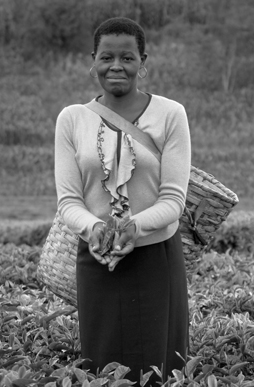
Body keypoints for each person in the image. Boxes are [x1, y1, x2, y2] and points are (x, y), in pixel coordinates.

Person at [54, 16, 191, 384]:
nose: (117, 66)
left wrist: (134, 227)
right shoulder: (72, 119)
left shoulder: (170, 114)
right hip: (98, 259)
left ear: (143, 63)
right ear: (93, 61)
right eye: (107, 57)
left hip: (155, 258)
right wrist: (96, 228)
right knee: (102, 366)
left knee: (157, 366)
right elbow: (68, 202)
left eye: (128, 58)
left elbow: (174, 199)